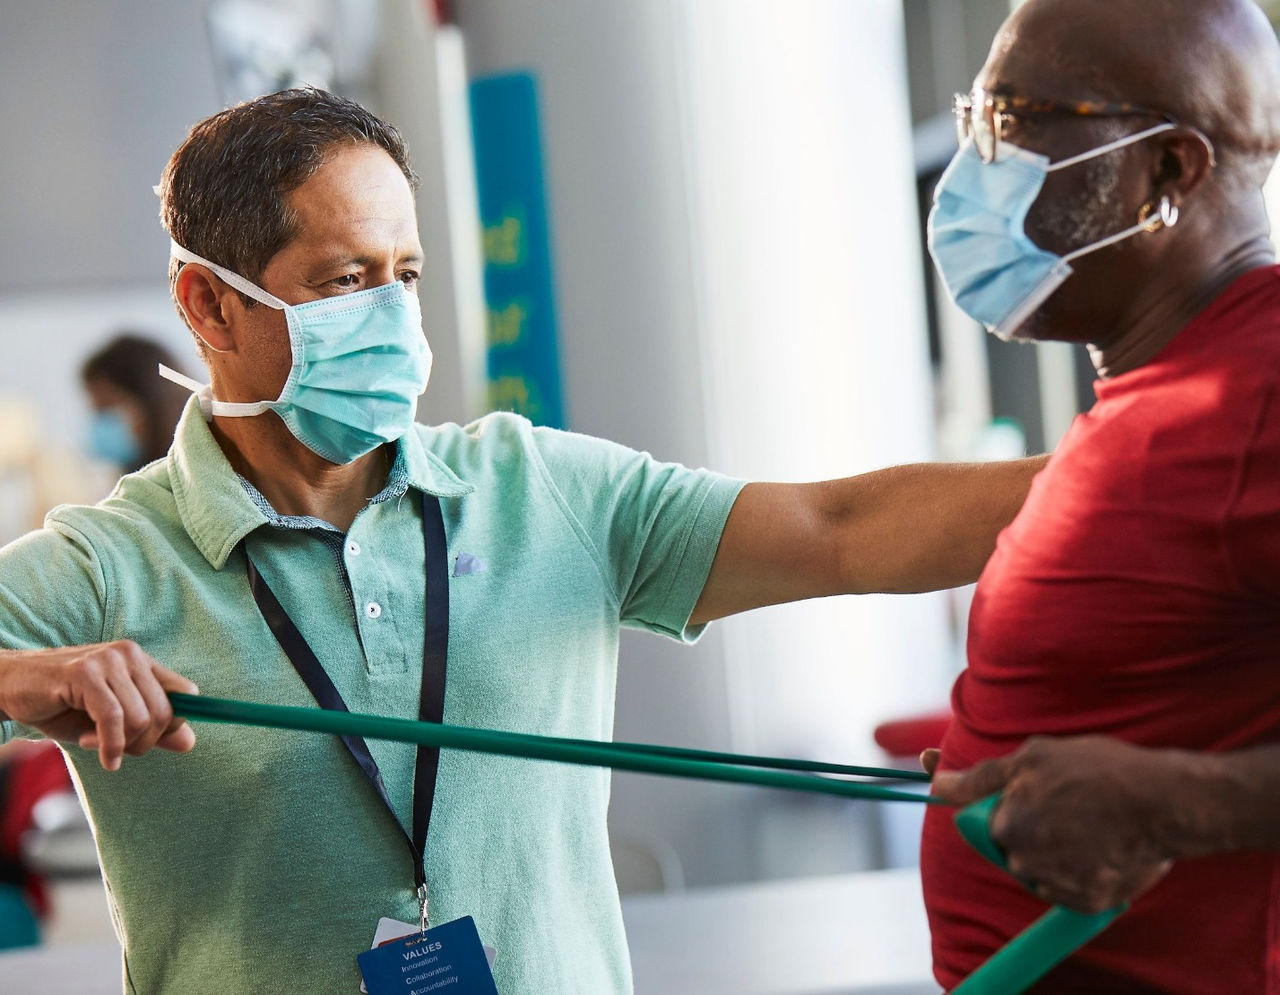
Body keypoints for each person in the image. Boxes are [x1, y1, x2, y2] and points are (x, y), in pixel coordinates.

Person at [0, 88, 1044, 993]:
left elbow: (838, 530)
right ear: (208, 305)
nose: (391, 315)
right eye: (341, 281)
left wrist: (1126, 469)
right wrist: (23, 677)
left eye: (403, 273)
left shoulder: (541, 490)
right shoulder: (105, 566)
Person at [920, 0, 1280, 990]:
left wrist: (1175, 801)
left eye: (1015, 118)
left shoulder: (1256, 386)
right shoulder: (1151, 388)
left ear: (1168, 170)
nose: (973, 166)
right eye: (973, 119)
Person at [82, 334, 189, 473]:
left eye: (107, 406)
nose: (101, 420)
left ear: (151, 401)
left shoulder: (196, 469)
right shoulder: (136, 473)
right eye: (96, 409)